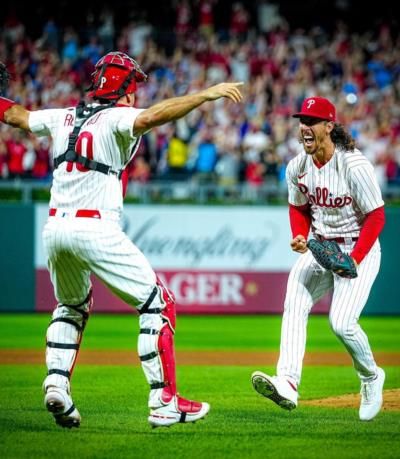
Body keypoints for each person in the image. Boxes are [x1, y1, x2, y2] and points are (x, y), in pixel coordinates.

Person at [0, 52, 243, 429]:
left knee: (70, 306)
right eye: (134, 85)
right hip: (96, 228)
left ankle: (57, 383)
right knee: (158, 304)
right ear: (122, 87)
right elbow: (153, 116)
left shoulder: (62, 116)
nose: (136, 93)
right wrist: (205, 95)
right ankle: (164, 401)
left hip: (54, 229)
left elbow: (15, 115)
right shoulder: (117, 118)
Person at [251, 96, 386, 421]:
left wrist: (354, 258)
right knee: (295, 297)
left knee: (341, 324)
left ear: (329, 126)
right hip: (322, 247)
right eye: (302, 121)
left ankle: (370, 377)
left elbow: (377, 216)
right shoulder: (298, 166)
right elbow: (298, 207)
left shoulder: (353, 164)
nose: (304, 127)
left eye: (312, 121)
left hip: (359, 248)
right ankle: (288, 382)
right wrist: (300, 233)